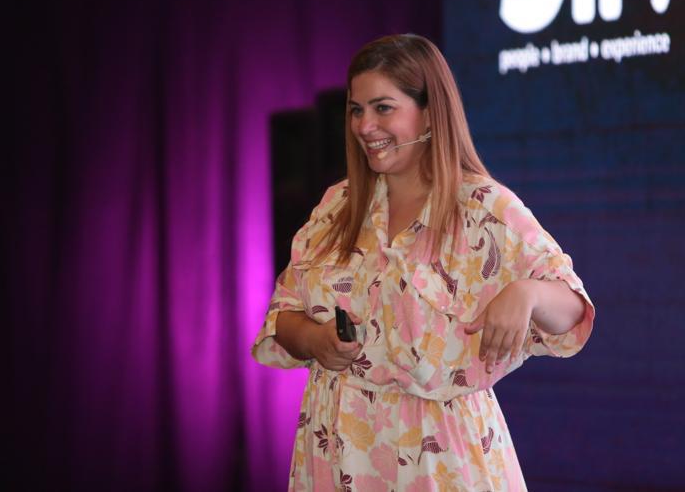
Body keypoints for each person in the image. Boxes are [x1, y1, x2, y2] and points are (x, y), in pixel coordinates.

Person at [252, 34, 594, 491]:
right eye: (356, 110)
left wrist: (527, 293)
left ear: (430, 112)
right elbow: (282, 316)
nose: (364, 125)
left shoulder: (482, 206)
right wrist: (314, 339)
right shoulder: (337, 205)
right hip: (335, 452)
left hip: (440, 461)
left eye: (383, 108)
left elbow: (573, 310)